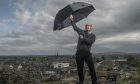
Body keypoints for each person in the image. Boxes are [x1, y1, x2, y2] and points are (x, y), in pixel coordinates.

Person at [69, 14, 97, 84]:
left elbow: (90, 42)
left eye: (89, 26)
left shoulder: (93, 36)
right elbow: (75, 28)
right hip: (79, 53)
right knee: (80, 68)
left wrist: (83, 38)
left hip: (87, 53)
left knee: (91, 67)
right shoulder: (81, 32)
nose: (87, 27)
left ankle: (94, 81)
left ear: (91, 27)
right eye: (87, 26)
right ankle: (81, 80)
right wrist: (72, 20)